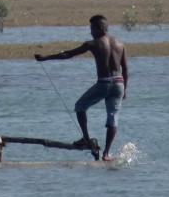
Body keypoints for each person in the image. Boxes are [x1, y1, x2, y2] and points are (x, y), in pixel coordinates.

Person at [34, 14, 128, 161]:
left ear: (100, 28)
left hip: (104, 83)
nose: (91, 32)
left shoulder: (93, 43)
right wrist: (125, 89)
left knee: (80, 106)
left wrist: (46, 57)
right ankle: (106, 154)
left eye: (92, 29)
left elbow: (68, 54)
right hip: (119, 84)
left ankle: (85, 138)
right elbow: (126, 70)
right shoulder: (120, 44)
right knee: (113, 117)